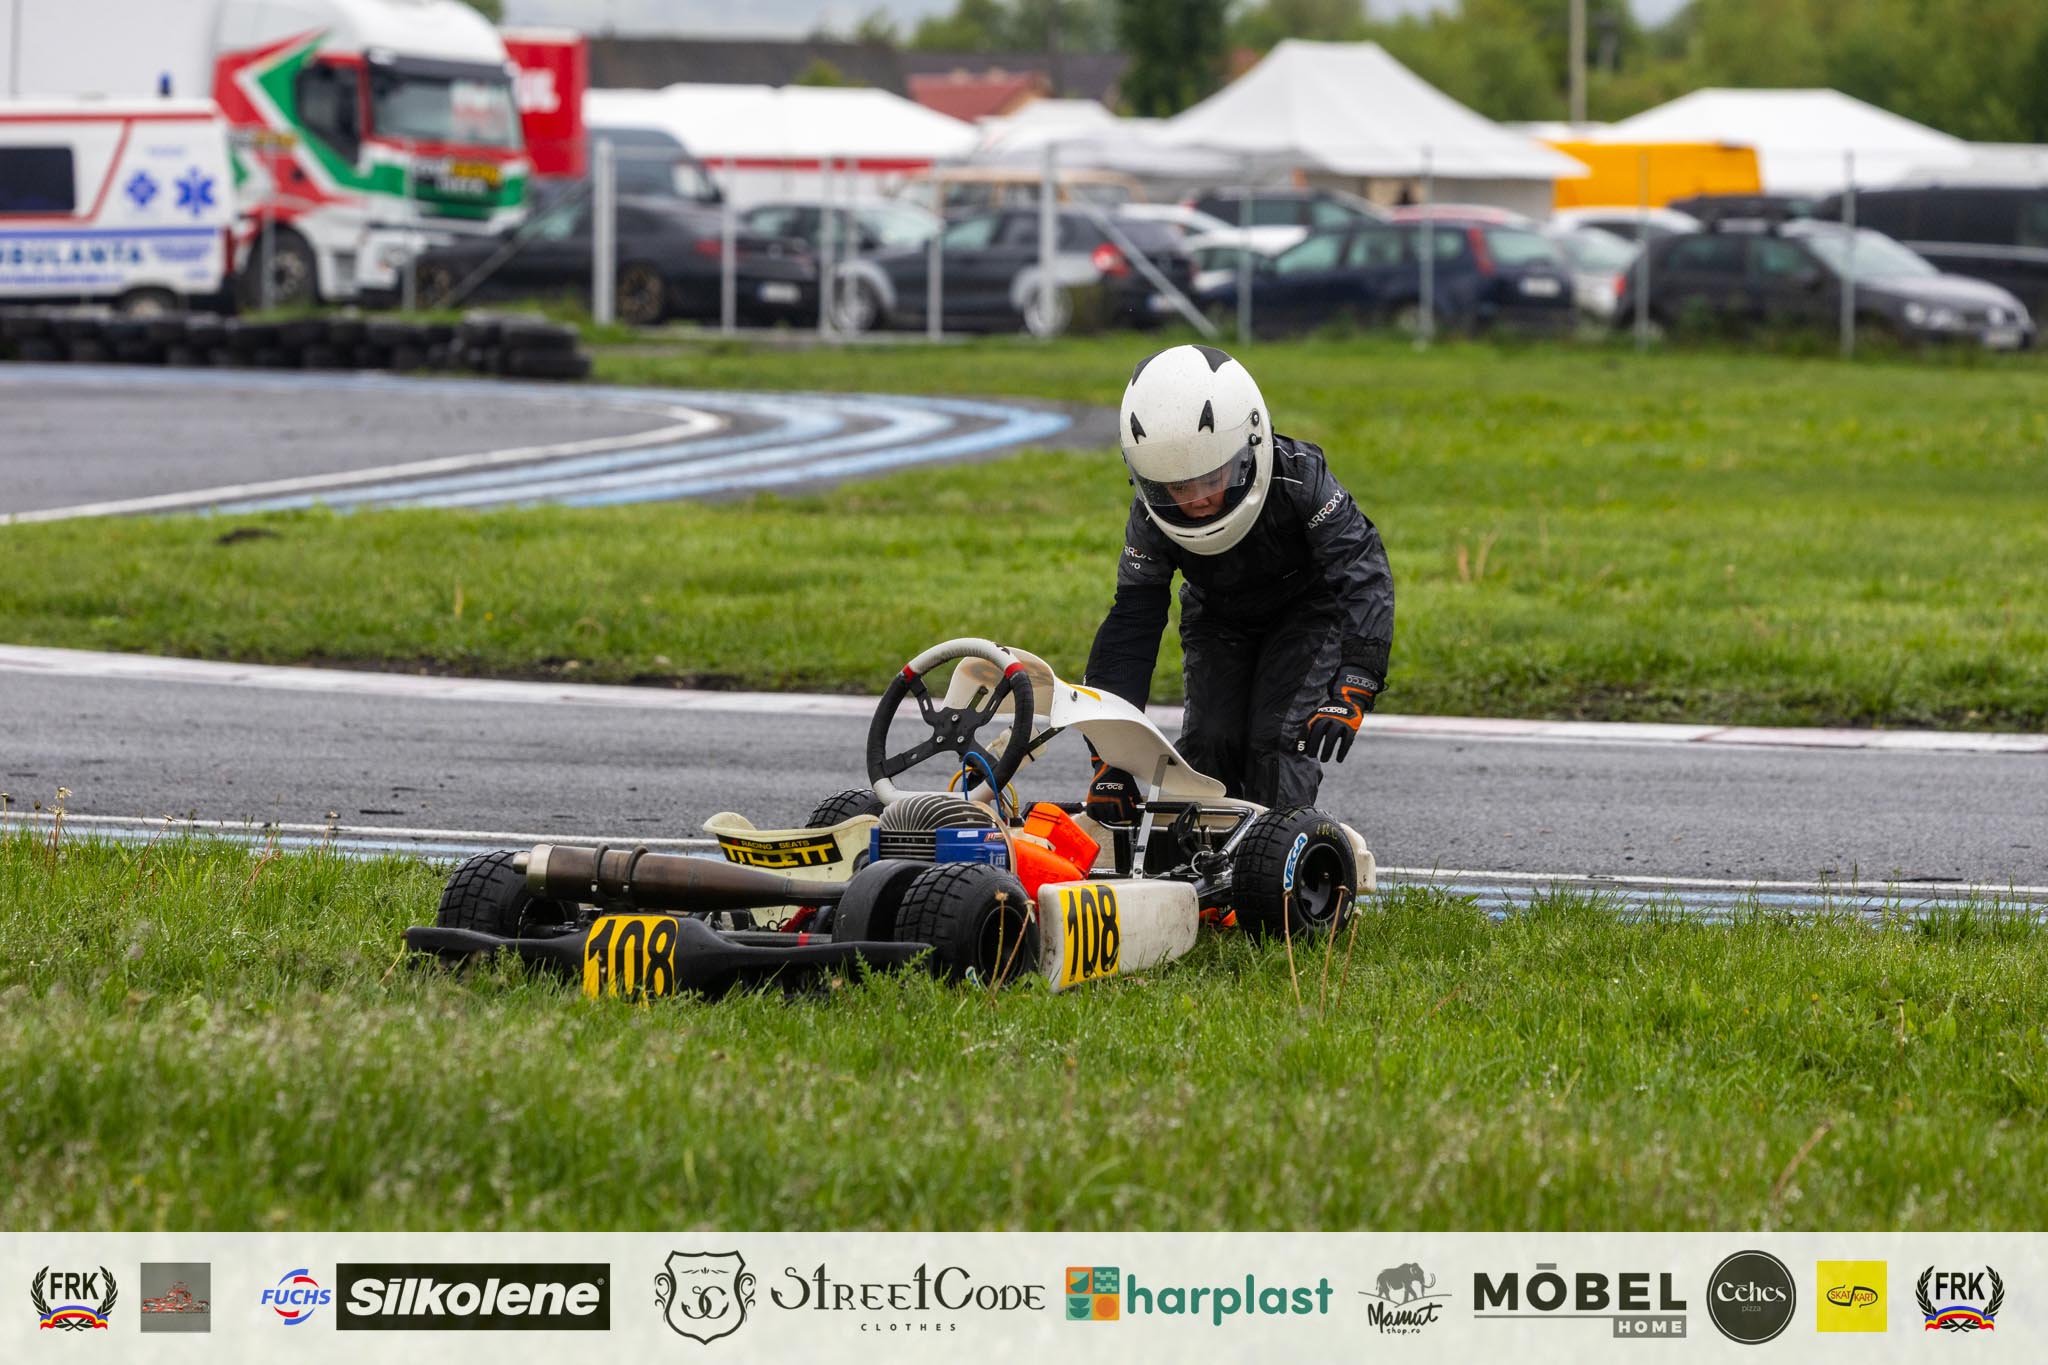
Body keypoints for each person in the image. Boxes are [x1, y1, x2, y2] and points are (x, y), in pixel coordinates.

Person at [1081, 343, 1394, 820]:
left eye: (1211, 478)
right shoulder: (1148, 518)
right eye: (1178, 487)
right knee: (1208, 743)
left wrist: (1355, 682)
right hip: (1217, 615)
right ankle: (1199, 863)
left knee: (1277, 738)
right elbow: (1131, 626)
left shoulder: (1303, 478)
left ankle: (1278, 850)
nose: (1198, 500)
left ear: (1250, 446)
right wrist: (1111, 760)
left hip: (1307, 611)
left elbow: (1362, 568)